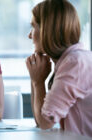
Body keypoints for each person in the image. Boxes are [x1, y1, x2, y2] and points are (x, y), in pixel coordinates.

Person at [26, 0, 92, 137]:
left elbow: (45, 122)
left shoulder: (74, 64)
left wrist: (38, 82)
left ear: (48, 30)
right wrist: (35, 79)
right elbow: (41, 122)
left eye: (33, 27)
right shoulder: (75, 59)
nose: (30, 35)